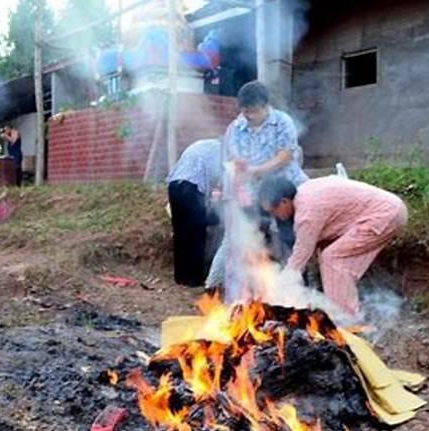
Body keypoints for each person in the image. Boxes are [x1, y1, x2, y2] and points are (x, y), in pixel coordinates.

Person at [205, 81, 308, 289]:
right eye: (245, 111)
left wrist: (257, 170)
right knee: (244, 237)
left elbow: (286, 155)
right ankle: (219, 286)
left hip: (283, 192)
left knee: (288, 237)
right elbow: (231, 159)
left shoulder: (282, 122)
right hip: (252, 194)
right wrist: (238, 170)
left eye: (253, 111)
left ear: (265, 105)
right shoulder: (236, 128)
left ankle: (299, 289)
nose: (248, 116)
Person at [259, 176, 408, 316]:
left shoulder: (307, 214)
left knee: (333, 258)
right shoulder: (304, 194)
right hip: (389, 210)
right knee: (327, 250)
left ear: (284, 201)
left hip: (384, 215)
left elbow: (301, 254)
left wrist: (282, 284)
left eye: (273, 211)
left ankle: (346, 320)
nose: (274, 216)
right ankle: (343, 309)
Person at [167, 139, 223, 287]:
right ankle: (194, 279)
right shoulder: (222, 151)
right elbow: (218, 178)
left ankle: (181, 277)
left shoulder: (205, 145)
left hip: (174, 186)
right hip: (190, 188)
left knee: (181, 232)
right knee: (197, 233)